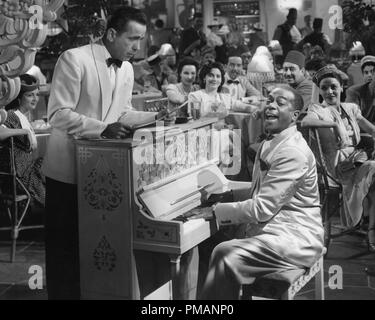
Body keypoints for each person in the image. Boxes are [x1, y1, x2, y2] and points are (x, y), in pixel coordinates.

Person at [42, 6, 166, 300]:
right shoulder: (74, 59)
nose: (137, 47)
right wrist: (103, 128)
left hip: (105, 173)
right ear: (111, 34)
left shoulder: (127, 67)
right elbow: (58, 114)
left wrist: (157, 117)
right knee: (65, 249)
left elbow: (122, 112)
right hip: (68, 171)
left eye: (140, 39)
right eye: (132, 39)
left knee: (95, 248)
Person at [192, 86, 324, 300]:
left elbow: (263, 208)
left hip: (295, 236)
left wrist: (215, 211)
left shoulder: (292, 151)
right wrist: (227, 193)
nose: (271, 105)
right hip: (276, 228)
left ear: (295, 115)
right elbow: (263, 189)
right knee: (212, 244)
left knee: (225, 253)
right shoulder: (275, 140)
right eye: (269, 100)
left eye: (280, 103)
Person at [301, 65, 375, 251]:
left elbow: (372, 129)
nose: (329, 91)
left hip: (357, 160)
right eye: (324, 88)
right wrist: (333, 124)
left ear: (342, 87)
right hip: (337, 167)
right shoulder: (318, 109)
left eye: (333, 86)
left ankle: (372, 228)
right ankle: (369, 228)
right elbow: (305, 122)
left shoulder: (350, 108)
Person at [0, 74, 45, 208]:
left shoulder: (23, 116)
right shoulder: (11, 115)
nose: (35, 99)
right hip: (20, 177)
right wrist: (25, 132)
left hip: (26, 171)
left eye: (37, 95)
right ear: (19, 98)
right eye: (30, 95)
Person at [346, 55, 375, 124]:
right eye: (366, 72)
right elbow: (352, 117)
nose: (369, 75)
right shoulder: (354, 91)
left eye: (372, 72)